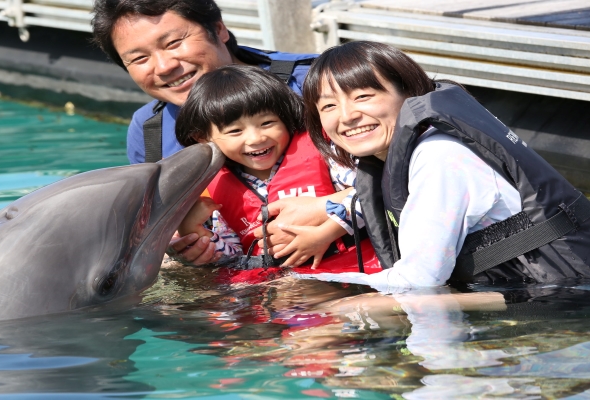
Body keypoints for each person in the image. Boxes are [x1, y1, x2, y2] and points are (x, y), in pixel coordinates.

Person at [300, 41, 590, 289]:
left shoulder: (441, 157)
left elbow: (419, 281)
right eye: (328, 106)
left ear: (410, 95)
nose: (347, 116)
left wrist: (307, 289)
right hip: (525, 293)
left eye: (363, 96)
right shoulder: (402, 156)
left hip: (559, 299)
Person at [91, 0, 325, 265]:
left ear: (219, 28)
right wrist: (177, 243)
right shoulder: (149, 130)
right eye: (140, 58)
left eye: (173, 43)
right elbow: (148, 229)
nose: (164, 66)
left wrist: (332, 209)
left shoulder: (316, 83)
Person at [174, 65, 378, 272]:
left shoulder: (326, 153)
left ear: (286, 118)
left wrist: (325, 233)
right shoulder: (214, 191)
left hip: (354, 271)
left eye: (267, 123)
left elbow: (373, 193)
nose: (256, 138)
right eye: (235, 131)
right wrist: (192, 229)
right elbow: (232, 258)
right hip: (283, 286)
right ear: (203, 138)